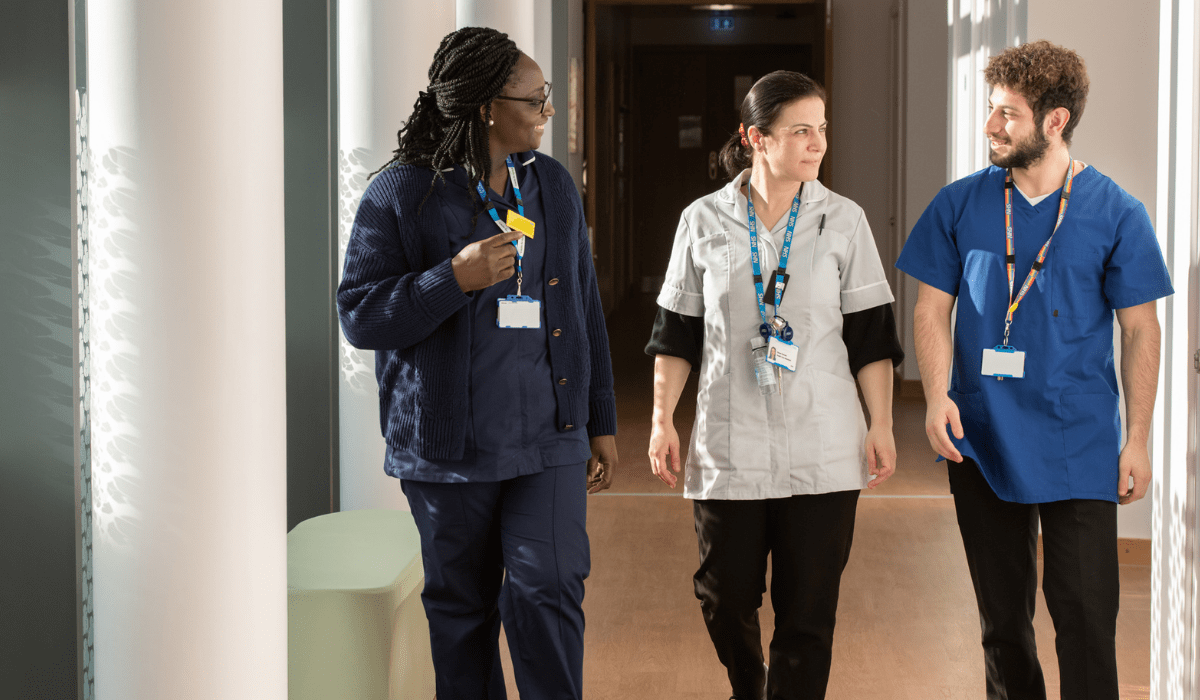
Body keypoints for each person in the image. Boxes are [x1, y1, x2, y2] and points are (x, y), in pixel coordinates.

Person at [336, 27, 618, 700]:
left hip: (548, 436)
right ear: (490, 106)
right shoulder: (402, 192)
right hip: (448, 450)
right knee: (461, 617)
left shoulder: (550, 185)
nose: (548, 111)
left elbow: (582, 303)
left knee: (548, 588)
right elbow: (359, 315)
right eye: (535, 98)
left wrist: (597, 414)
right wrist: (450, 280)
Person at [897, 41, 1173, 700]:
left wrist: (1137, 437)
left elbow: (1141, 329)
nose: (990, 126)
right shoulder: (960, 204)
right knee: (1004, 628)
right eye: (991, 111)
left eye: (1007, 114)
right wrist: (935, 397)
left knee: (1084, 620)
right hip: (983, 437)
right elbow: (931, 310)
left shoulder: (1116, 212)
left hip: (1079, 441)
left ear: (1055, 121)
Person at [646, 70, 904, 700]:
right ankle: (747, 684)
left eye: (822, 130)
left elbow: (871, 338)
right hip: (729, 444)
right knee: (722, 594)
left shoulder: (844, 220)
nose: (818, 144)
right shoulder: (702, 221)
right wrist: (661, 419)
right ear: (756, 138)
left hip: (822, 444)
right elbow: (675, 334)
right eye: (800, 131)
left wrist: (882, 425)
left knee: (808, 613)